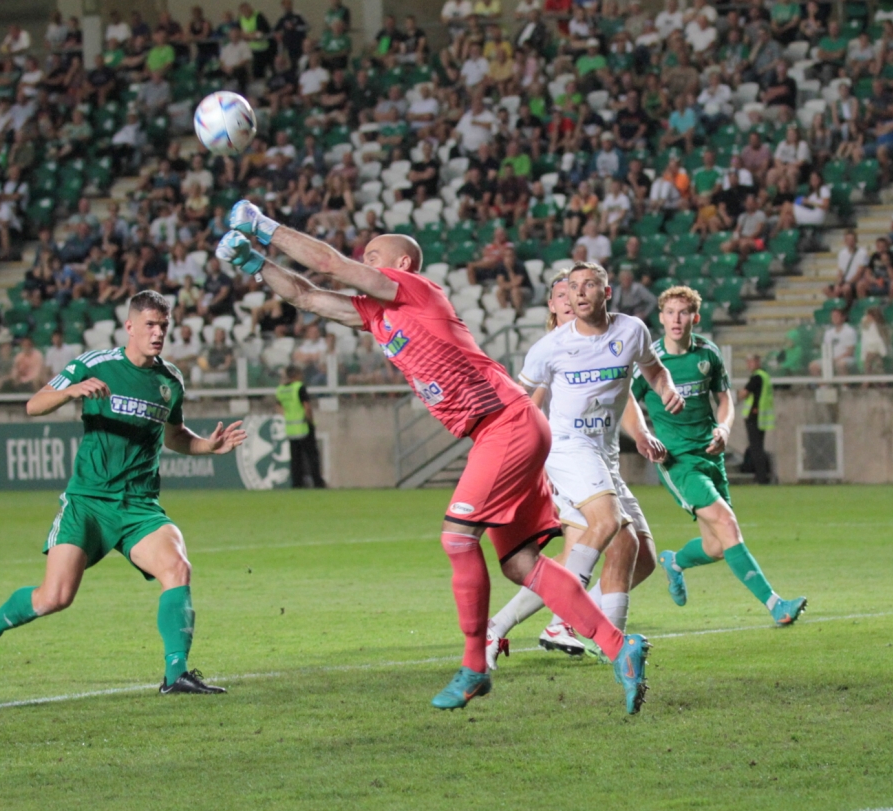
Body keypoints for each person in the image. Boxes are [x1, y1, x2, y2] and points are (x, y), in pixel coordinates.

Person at [219, 201, 656, 713]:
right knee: (521, 565)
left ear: (401, 266)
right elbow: (305, 294)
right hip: (501, 429)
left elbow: (330, 265)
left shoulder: (415, 290)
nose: (364, 260)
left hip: (507, 424)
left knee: (456, 537)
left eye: (373, 255)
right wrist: (255, 263)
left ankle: (474, 668)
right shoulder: (377, 314)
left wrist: (265, 227)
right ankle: (619, 648)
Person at [0, 291, 248, 695]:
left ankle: (176, 674)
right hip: (88, 502)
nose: (158, 333)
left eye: (163, 326)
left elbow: (174, 435)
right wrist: (71, 391)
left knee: (177, 567)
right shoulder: (95, 364)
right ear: (129, 326)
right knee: (54, 597)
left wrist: (207, 446)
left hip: (138, 505)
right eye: (150, 325)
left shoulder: (169, 381)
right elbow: (34, 404)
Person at [486, 264, 678, 663]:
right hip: (565, 455)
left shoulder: (629, 332)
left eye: (586, 286)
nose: (575, 295)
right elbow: (523, 407)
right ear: (556, 304)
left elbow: (633, 384)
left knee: (640, 556)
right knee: (609, 530)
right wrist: (521, 461)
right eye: (568, 290)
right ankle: (601, 639)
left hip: (603, 458)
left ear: (605, 292)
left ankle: (511, 625)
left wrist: (648, 421)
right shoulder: (550, 349)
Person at [634, 286, 806, 624]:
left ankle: (675, 562)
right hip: (678, 461)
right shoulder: (650, 362)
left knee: (715, 546)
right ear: (661, 318)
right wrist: (644, 435)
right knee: (728, 525)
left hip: (711, 455)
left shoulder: (708, 353)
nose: (676, 319)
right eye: (670, 312)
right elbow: (626, 400)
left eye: (683, 312)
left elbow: (725, 399)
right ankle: (776, 605)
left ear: (695, 317)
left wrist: (725, 429)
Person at [276, 365, 326, 488]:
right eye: (300, 374)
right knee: (312, 456)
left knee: (295, 458)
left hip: (291, 428)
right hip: (303, 426)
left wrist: (288, 416)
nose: (302, 376)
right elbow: (307, 407)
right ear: (295, 375)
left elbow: (278, 407)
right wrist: (310, 421)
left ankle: (297, 483)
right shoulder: (299, 387)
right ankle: (317, 482)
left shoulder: (281, 390)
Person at [737, 353, 773, 483]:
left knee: (756, 447)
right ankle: (763, 475)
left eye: (751, 362)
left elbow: (744, 393)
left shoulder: (757, 377)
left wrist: (738, 394)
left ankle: (761, 477)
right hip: (762, 416)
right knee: (758, 446)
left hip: (754, 416)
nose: (748, 365)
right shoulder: (765, 376)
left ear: (757, 362)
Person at [809, 308, 857, 376]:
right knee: (813, 366)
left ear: (843, 317)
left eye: (836, 316)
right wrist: (829, 359)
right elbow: (826, 348)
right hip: (830, 359)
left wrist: (836, 359)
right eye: (833, 316)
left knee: (841, 364)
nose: (834, 318)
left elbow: (850, 352)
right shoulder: (828, 333)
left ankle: (844, 383)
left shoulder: (849, 331)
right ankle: (823, 383)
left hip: (846, 359)